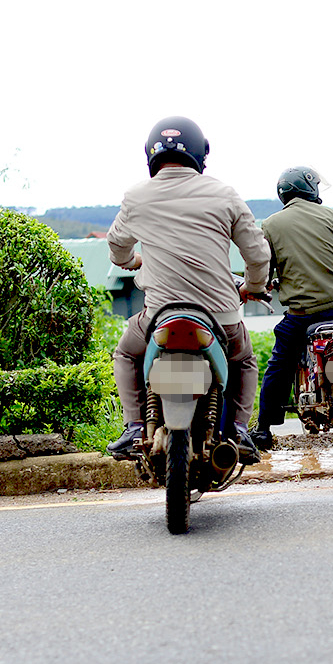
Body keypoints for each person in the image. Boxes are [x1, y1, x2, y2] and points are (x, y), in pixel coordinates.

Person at [106, 116, 270, 463]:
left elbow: (116, 246)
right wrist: (253, 286)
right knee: (244, 360)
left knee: (125, 353)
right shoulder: (224, 194)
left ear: (150, 154)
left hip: (159, 316)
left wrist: (133, 261)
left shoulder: (137, 196)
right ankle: (239, 431)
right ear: (200, 153)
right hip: (220, 317)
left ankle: (135, 426)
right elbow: (256, 253)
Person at [250, 166, 333, 451]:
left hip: (302, 315)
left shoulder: (270, 225)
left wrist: (265, 286)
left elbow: (264, 271)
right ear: (310, 188)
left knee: (280, 363)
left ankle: (264, 429)